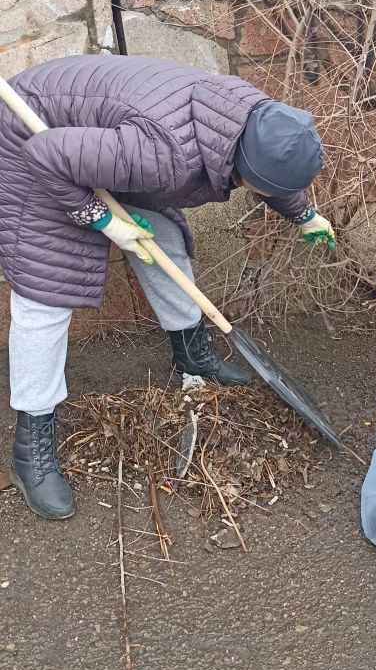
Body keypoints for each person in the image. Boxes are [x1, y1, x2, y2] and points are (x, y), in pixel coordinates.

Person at [0, 55, 335, 522]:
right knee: (47, 288)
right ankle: (30, 447)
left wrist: (302, 213)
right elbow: (48, 155)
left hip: (101, 137)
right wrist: (99, 219)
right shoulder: (165, 154)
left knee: (163, 238)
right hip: (30, 136)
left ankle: (191, 355)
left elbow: (269, 170)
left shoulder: (253, 120)